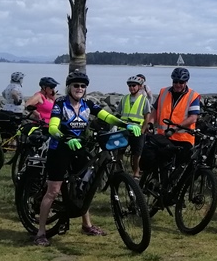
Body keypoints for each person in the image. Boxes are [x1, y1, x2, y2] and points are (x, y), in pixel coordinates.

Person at [35, 69, 140, 246]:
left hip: (79, 148)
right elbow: (53, 127)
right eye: (76, 85)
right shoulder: (61, 104)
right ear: (69, 87)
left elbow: (107, 117)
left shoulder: (87, 104)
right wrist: (65, 138)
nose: (79, 88)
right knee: (53, 191)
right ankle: (40, 232)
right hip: (59, 149)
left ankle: (87, 225)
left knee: (85, 187)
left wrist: (125, 125)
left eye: (83, 86)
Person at [151, 67, 202, 146]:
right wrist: (150, 123)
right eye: (175, 82)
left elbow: (193, 118)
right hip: (163, 136)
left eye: (181, 82)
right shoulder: (164, 92)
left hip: (183, 139)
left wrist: (175, 129)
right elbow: (155, 110)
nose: (178, 85)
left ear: (186, 82)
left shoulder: (193, 96)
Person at [121, 74, 152, 177]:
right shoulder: (124, 98)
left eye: (134, 85)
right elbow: (118, 113)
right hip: (124, 130)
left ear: (139, 86)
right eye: (130, 86)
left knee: (137, 154)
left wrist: (143, 130)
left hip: (137, 131)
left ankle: (136, 172)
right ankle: (118, 170)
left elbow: (147, 116)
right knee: (119, 152)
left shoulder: (144, 100)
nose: (131, 88)